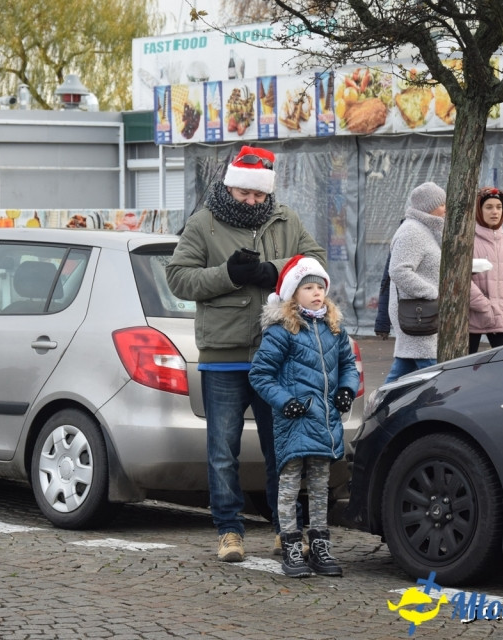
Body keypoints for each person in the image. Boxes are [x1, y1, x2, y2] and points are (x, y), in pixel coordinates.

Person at [166, 145, 327, 563]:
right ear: (230, 186)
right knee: (223, 449)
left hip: (277, 353)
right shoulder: (203, 223)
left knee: (282, 448)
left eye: (259, 196)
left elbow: (317, 262)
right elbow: (178, 278)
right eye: (245, 195)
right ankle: (229, 531)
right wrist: (229, 275)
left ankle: (284, 529)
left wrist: (273, 270)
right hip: (224, 354)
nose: (253, 202)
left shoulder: (285, 218)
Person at [249, 255, 359, 578]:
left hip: (324, 423)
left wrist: (346, 390)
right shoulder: (283, 330)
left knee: (320, 486)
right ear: (293, 292)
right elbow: (260, 374)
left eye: (320, 287)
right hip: (295, 422)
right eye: (307, 287)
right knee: (289, 485)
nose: (316, 293)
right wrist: (285, 402)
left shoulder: (333, 327)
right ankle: (291, 544)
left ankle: (320, 545)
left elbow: (348, 366)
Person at [384, 182, 445, 383]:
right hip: (418, 312)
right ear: (428, 206)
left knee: (404, 368)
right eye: (442, 204)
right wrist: (431, 293)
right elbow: (398, 270)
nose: (446, 208)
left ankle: (381, 407)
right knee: (435, 376)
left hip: (421, 310)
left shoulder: (425, 229)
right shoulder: (412, 231)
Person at [468, 187, 503, 353]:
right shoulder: (467, 240)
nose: (495, 212)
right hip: (473, 317)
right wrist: (484, 306)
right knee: (463, 369)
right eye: (489, 207)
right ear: (478, 210)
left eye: (499, 207)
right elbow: (462, 280)